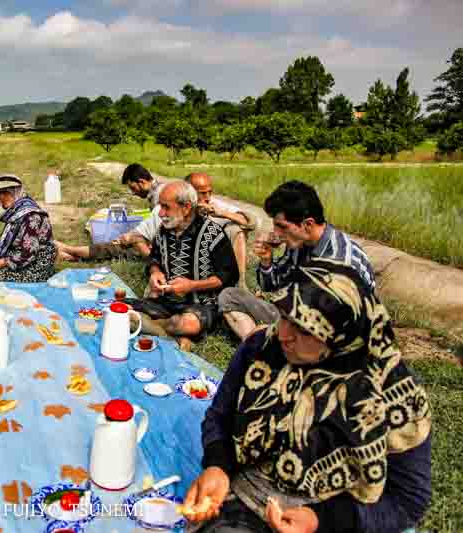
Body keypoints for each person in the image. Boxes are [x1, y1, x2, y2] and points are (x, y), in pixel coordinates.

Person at [183, 258, 431, 533]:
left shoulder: (394, 395)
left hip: (337, 516)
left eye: (304, 329)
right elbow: (219, 418)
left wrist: (320, 520)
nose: (284, 335)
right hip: (251, 498)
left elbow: (407, 500)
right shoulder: (261, 349)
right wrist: (218, 465)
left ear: (342, 337)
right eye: (285, 317)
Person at [219, 181, 375, 341]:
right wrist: (266, 261)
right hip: (298, 316)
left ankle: (264, 345)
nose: (276, 233)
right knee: (229, 296)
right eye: (275, 226)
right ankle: (258, 343)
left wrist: (280, 329)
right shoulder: (299, 244)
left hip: (333, 337)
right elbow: (271, 286)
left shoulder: (342, 261)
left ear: (308, 224)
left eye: (282, 226)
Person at [125, 181, 239, 350]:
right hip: (166, 302)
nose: (161, 213)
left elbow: (228, 276)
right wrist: (155, 272)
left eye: (166, 207)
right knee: (119, 309)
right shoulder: (163, 231)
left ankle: (153, 326)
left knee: (189, 324)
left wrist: (191, 285)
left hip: (201, 304)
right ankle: (169, 334)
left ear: (186, 208)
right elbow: (154, 258)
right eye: (160, 207)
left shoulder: (212, 233)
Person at [55, 163, 166, 261]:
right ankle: (71, 255)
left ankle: (69, 251)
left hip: (161, 247)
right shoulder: (159, 192)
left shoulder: (160, 196)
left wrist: (134, 237)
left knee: (116, 249)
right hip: (157, 243)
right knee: (120, 245)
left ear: (141, 182)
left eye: (133, 188)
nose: (133, 193)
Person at [185, 172, 256, 288]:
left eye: (210, 192)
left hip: (216, 261)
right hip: (186, 262)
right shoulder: (174, 206)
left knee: (235, 229)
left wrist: (221, 213)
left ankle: (240, 283)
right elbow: (144, 235)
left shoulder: (215, 205)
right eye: (202, 193)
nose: (207, 198)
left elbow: (251, 222)